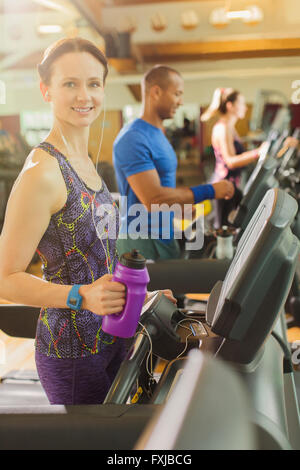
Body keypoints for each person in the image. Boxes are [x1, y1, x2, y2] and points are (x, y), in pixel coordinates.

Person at [0, 38, 175, 405]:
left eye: (94, 83)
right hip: (72, 351)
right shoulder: (42, 173)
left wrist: (139, 299)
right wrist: (80, 296)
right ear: (46, 90)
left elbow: (100, 258)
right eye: (70, 83)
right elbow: (5, 279)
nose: (85, 95)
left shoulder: (87, 162)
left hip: (116, 333)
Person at [113, 66, 234, 261]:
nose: (181, 101)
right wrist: (210, 191)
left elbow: (161, 187)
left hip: (164, 235)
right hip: (142, 241)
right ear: (156, 92)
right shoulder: (133, 137)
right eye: (177, 94)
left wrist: (178, 206)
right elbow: (153, 200)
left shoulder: (158, 133)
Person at [201, 87, 268, 227]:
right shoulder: (223, 128)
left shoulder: (230, 127)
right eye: (241, 103)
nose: (245, 107)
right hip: (223, 186)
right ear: (230, 106)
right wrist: (257, 153)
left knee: (236, 223)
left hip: (231, 185)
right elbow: (230, 161)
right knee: (223, 230)